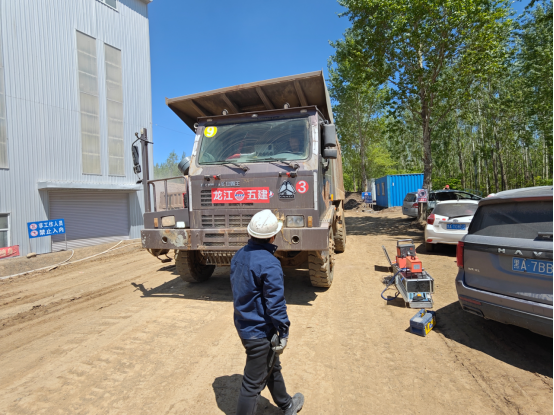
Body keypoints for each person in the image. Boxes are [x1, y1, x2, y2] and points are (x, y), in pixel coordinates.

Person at [230, 210, 304, 415]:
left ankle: (287, 404)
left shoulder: (239, 254)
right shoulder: (270, 263)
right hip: (259, 332)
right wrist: (284, 331)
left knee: (271, 365)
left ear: (250, 233)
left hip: (244, 325)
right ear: (273, 236)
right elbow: (275, 304)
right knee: (252, 385)